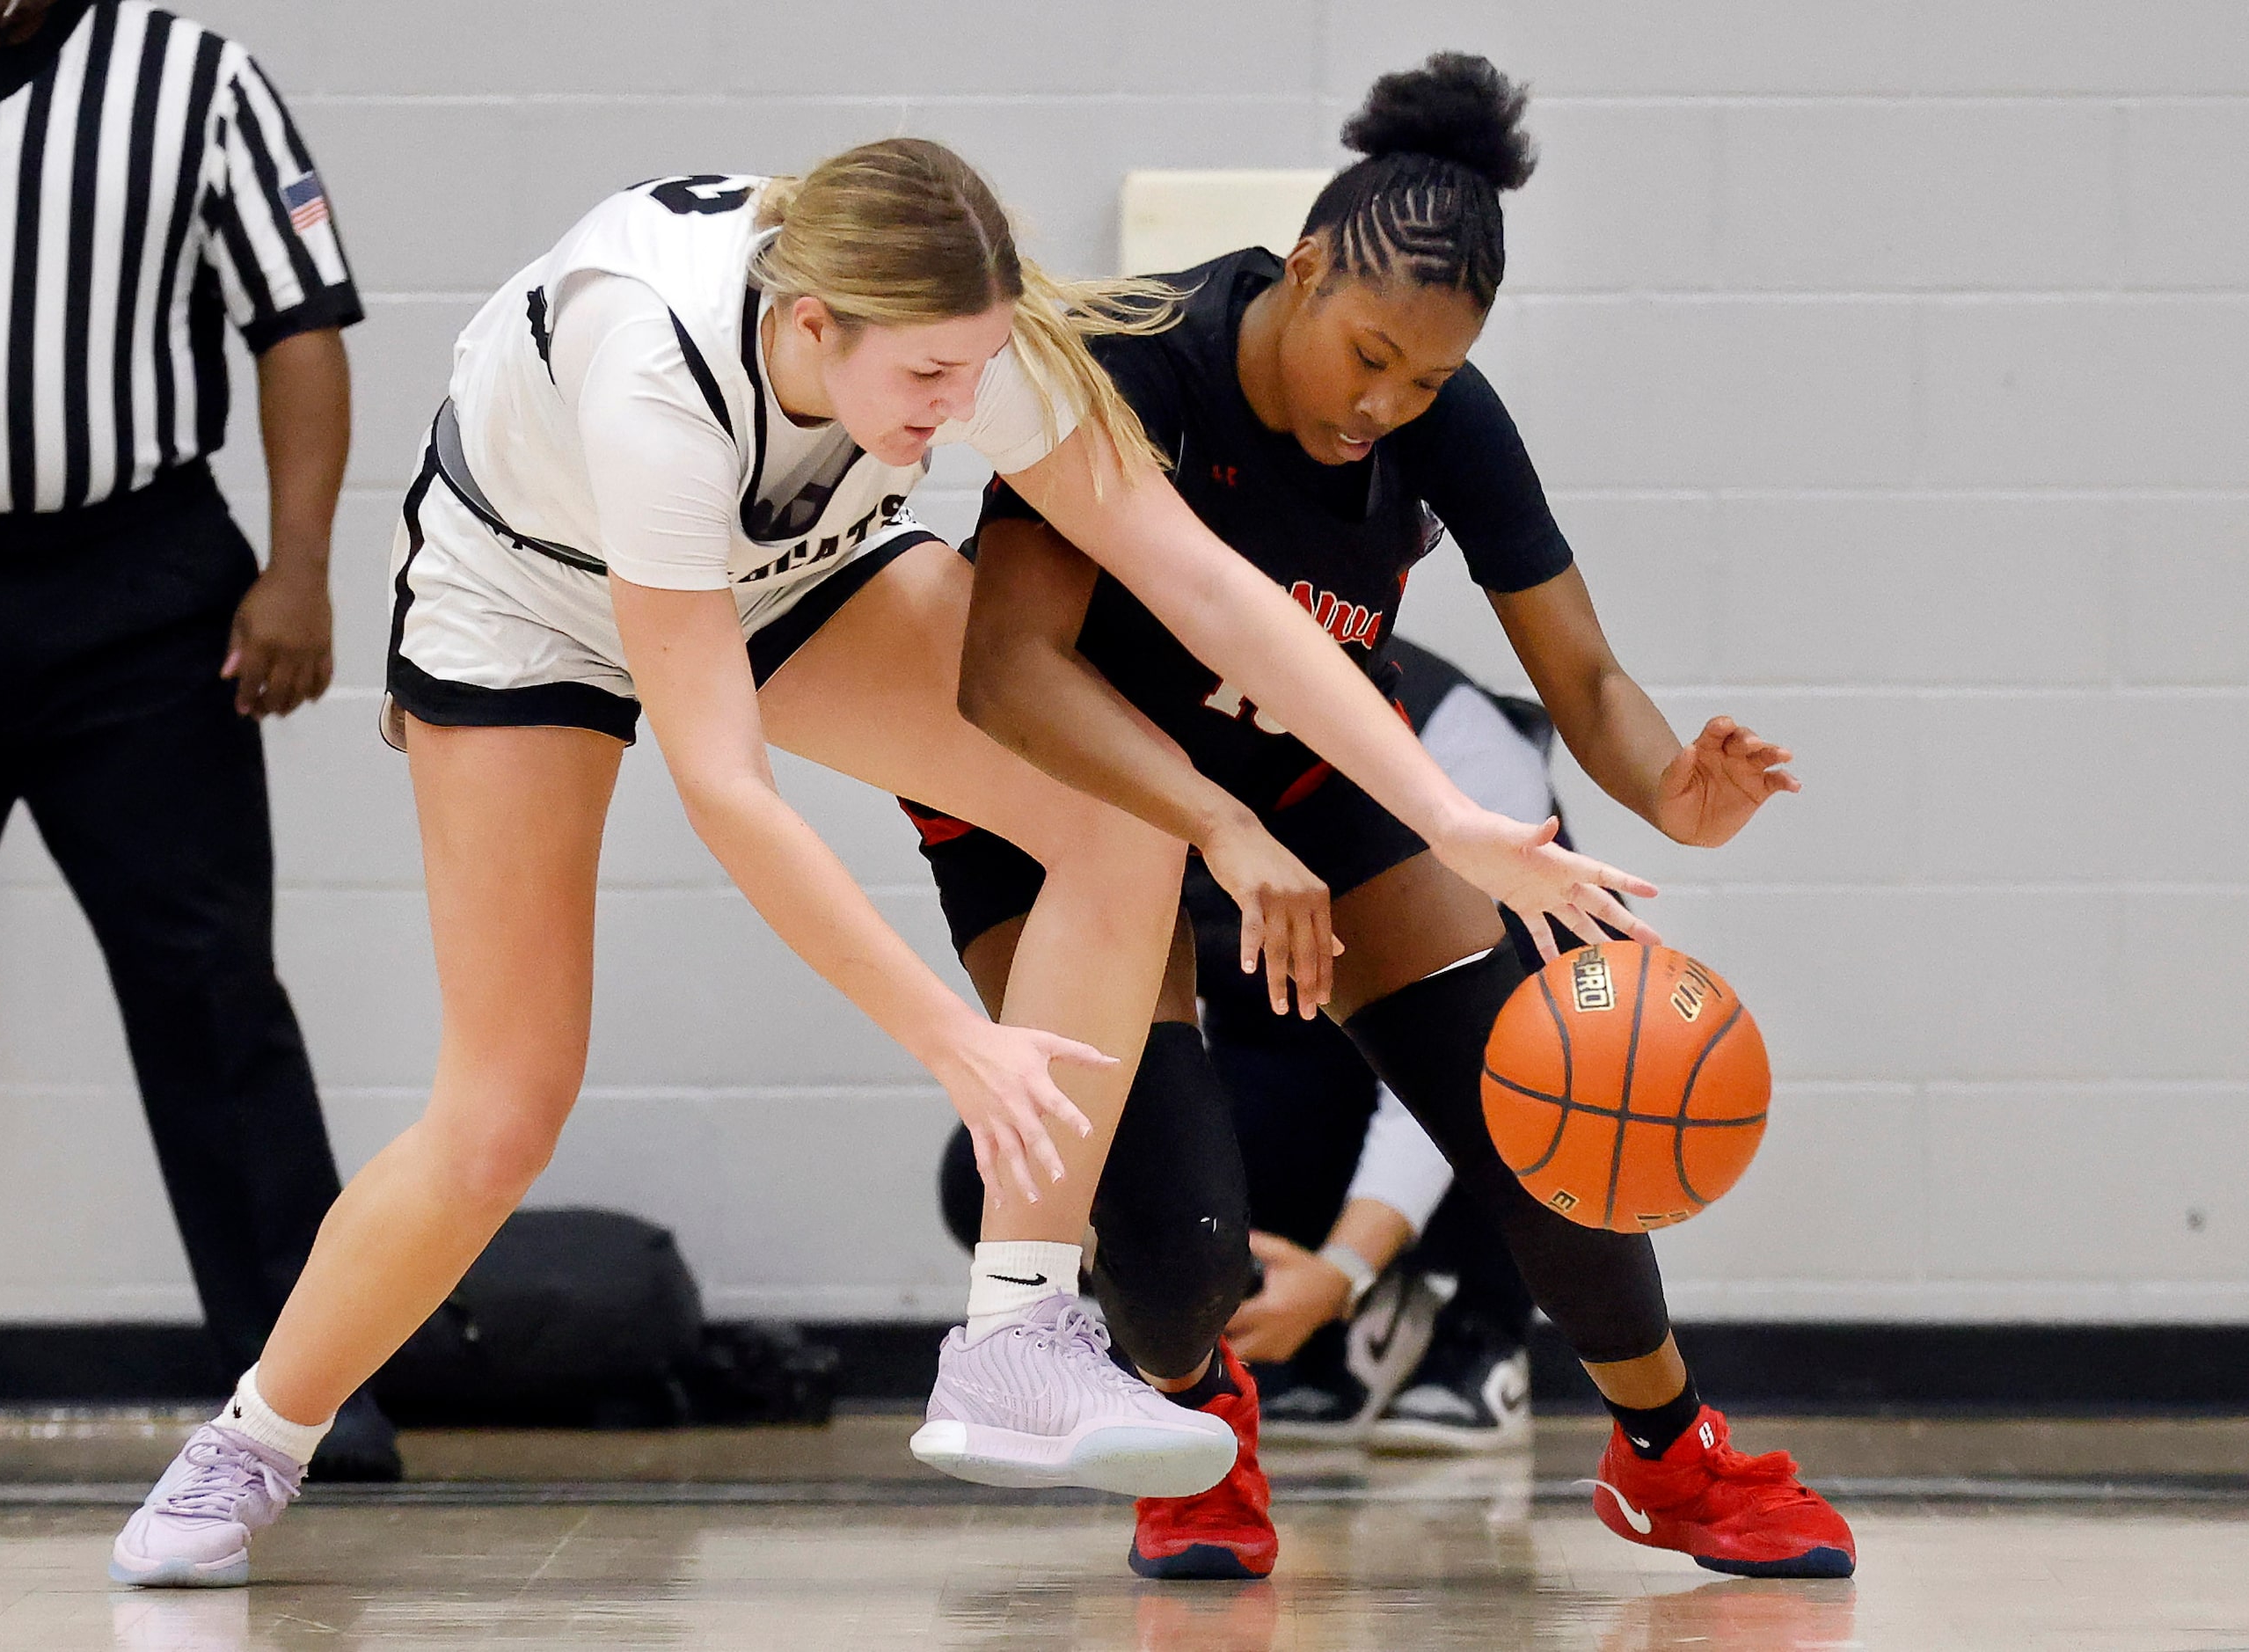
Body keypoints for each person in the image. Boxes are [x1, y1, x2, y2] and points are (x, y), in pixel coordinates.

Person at [107, 137, 1654, 1587]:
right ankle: (254, 1438)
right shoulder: (651, 367)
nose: (955, 411)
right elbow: (727, 783)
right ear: (811, 322)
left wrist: (1441, 811)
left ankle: (1015, 1331)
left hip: (790, 562)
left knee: (1122, 803)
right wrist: (949, 1035)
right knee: (505, 1109)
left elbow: (1211, 587)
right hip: (532, 601)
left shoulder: (955, 335)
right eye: (928, 379)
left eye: (976, 374)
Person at [904, 55, 1855, 1583]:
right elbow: (1005, 674)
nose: (1382, 405)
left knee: (1542, 1104)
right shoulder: (1134, 356)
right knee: (1177, 1253)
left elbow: (1588, 675)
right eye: (1366, 358)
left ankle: (1670, 1459)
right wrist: (1211, 824)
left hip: (1292, 776)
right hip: (1056, 788)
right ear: (1298, 269)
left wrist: (1680, 787)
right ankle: (1196, 1412)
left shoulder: (1442, 419)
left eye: (1423, 378)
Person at [0, 0, 394, 1477]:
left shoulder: (196, 79)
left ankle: (310, 1393)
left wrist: (297, 565)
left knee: (209, 989)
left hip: (136, 586)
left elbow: (300, 326)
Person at [931, 637, 1552, 1454]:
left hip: (1479, 1045)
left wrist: (1344, 1267)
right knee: (1011, 1157)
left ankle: (1482, 1330)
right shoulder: (1115, 729)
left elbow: (1449, 1059)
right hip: (1290, 1042)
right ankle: (1296, 1330)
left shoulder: (1444, 734)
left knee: (1533, 1069)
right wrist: (1165, 1254)